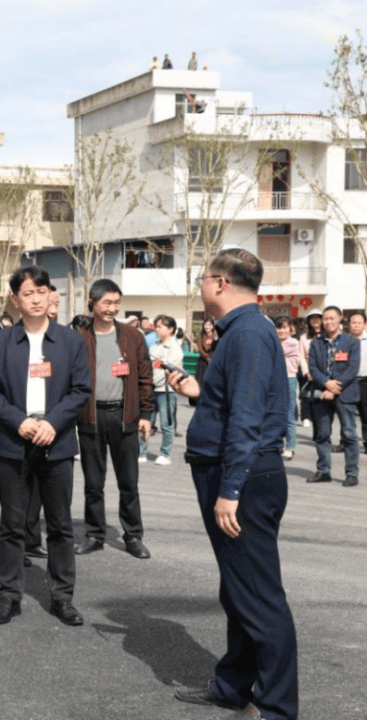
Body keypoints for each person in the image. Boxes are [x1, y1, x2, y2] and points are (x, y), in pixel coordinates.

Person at [167, 248, 297, 720]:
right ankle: (232, 685)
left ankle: (277, 708)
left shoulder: (247, 333)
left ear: (221, 284)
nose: (200, 287)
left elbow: (247, 420)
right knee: (238, 589)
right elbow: (239, 401)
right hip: (232, 471)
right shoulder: (242, 333)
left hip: (241, 477)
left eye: (203, 279)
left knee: (260, 597)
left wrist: (231, 489)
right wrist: (202, 393)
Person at [0, 266, 91, 627]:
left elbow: (80, 391)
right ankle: (9, 597)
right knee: (11, 525)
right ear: (16, 299)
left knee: (60, 525)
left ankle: (62, 598)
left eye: (42, 291)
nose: (37, 298)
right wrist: (20, 421)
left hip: (56, 444)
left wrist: (52, 423)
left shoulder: (71, 341)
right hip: (14, 443)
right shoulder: (1, 342)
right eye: (28, 293)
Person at [75, 280, 154, 559]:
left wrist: (145, 415)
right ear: (93, 303)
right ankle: (95, 535)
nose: (112, 308)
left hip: (124, 417)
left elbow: (145, 377)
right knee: (93, 484)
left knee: (129, 483)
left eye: (116, 303)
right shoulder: (79, 336)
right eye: (107, 303)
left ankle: (133, 536)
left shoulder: (132, 337)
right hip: (91, 417)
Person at [307, 305, 359, 487]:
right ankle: (323, 470)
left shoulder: (352, 342)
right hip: (322, 393)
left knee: (349, 435)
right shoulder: (316, 342)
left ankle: (351, 473)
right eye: (325, 318)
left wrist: (334, 386)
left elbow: (352, 369)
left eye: (331, 318)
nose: (328, 322)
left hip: (345, 394)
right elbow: (312, 367)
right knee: (322, 435)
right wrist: (325, 383)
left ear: (340, 320)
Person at [141, 315, 182, 465]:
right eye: (156, 326)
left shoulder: (175, 348)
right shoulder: (154, 346)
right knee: (146, 422)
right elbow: (149, 364)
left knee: (166, 425)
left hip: (166, 391)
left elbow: (170, 368)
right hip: (151, 389)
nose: (156, 330)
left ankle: (165, 454)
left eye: (160, 327)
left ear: (170, 329)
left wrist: (156, 363)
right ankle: (141, 452)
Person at [275, 317, 301, 461]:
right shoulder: (274, 342)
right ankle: (277, 444)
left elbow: (276, 354)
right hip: (274, 380)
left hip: (289, 379)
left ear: (290, 328)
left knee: (289, 416)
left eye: (285, 327)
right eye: (279, 327)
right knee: (275, 414)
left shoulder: (294, 343)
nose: (282, 331)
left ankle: (290, 447)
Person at [299, 309, 322, 431]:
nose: (315, 320)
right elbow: (301, 356)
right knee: (306, 396)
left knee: (319, 398)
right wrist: (306, 372)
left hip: (323, 371)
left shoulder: (326, 334)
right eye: (312, 318)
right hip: (308, 372)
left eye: (318, 317)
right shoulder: (304, 337)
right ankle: (306, 417)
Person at [348, 310, 367, 454]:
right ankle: (347, 442)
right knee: (347, 416)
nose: (355, 325)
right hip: (349, 382)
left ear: (365, 325)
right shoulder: (344, 341)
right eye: (353, 322)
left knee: (365, 415)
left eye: (359, 323)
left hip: (365, 382)